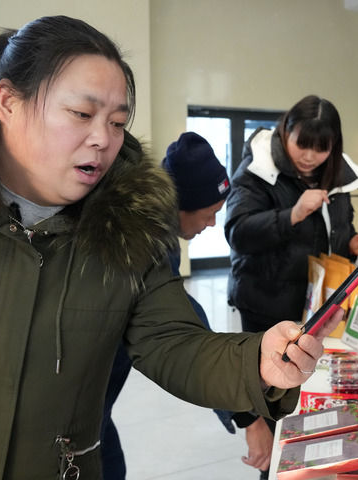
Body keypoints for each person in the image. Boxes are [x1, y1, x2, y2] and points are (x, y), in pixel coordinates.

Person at [0, 16, 342, 479]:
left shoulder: (126, 235)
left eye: (116, 122)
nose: (103, 139)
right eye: (82, 114)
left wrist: (259, 364)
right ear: (8, 102)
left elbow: (175, 342)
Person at [102, 132, 273, 479]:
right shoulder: (147, 246)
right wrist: (248, 415)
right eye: (209, 213)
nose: (212, 223)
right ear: (180, 204)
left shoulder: (155, 232)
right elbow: (188, 330)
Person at [225, 95, 358, 334]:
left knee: (313, 370)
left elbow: (338, 224)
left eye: (321, 149)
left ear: (333, 146)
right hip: (266, 305)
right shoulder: (258, 168)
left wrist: (351, 242)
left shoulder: (336, 174)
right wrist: (292, 215)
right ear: (286, 131)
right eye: (302, 144)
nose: (309, 157)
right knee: (266, 370)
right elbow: (239, 234)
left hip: (317, 304)